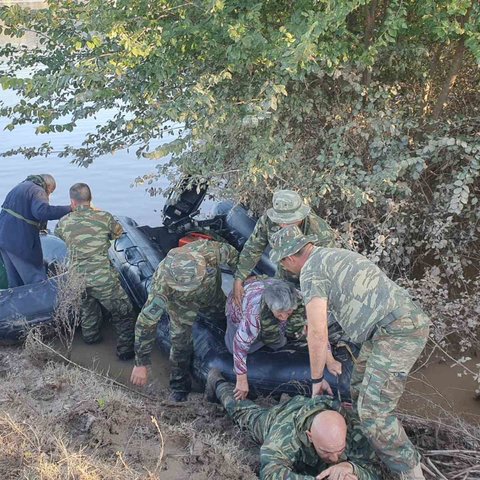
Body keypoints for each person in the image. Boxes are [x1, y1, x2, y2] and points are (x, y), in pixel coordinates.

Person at [269, 225, 430, 480]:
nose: (285, 269)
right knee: (357, 387)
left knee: (373, 411)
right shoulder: (331, 255)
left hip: (397, 331)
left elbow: (318, 334)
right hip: (384, 330)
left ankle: (411, 473)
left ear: (289, 258)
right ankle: (361, 451)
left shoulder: (310, 272)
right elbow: (324, 320)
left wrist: (316, 379)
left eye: (283, 264)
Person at [205, 369, 381, 480]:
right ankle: (218, 383)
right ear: (310, 436)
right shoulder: (284, 435)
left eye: (340, 450)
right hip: (278, 418)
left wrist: (351, 469)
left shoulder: (354, 430)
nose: (334, 459)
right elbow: (269, 473)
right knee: (244, 413)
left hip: (313, 409)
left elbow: (374, 469)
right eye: (326, 452)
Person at [130, 239, 239, 402]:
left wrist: (240, 281)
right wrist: (141, 362)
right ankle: (179, 387)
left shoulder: (209, 251)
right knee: (180, 344)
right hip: (181, 305)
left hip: (212, 296)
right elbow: (146, 322)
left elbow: (236, 258)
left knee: (225, 320)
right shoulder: (162, 284)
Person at [226, 277, 346, 401]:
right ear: (270, 307)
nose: (283, 317)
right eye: (279, 314)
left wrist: (330, 359)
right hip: (239, 308)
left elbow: (316, 331)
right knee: (235, 348)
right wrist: (241, 380)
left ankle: (278, 332)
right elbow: (239, 345)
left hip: (267, 289)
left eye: (288, 313)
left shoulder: (299, 298)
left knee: (285, 336)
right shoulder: (253, 315)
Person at [55, 183, 135, 359]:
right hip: (102, 278)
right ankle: (125, 351)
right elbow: (118, 234)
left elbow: (59, 235)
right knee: (124, 312)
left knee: (87, 307)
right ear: (90, 200)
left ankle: (91, 338)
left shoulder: (64, 222)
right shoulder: (104, 217)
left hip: (77, 277)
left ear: (72, 202)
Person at [232, 190, 336, 306]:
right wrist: (239, 278)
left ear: (300, 215)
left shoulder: (321, 232)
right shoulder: (268, 221)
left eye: (289, 221)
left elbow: (326, 272)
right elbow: (253, 248)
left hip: (312, 282)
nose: (283, 225)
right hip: (283, 277)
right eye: (280, 221)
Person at [0, 174, 71, 287]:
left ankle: (19, 303)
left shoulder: (20, 187)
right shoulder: (37, 190)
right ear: (47, 186)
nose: (48, 196)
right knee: (35, 278)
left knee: (15, 282)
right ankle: (44, 302)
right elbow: (42, 212)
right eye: (50, 192)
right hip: (20, 242)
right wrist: (70, 208)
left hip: (4, 239)